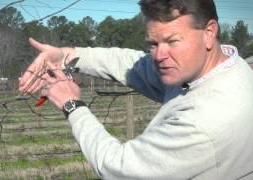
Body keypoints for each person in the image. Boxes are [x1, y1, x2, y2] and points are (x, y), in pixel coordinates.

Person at [19, 0, 253, 179]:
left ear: (209, 32)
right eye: (153, 43)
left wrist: (72, 104)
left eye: (172, 41)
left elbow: (118, 168)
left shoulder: (204, 121)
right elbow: (131, 64)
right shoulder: (227, 68)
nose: (159, 55)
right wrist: (66, 56)